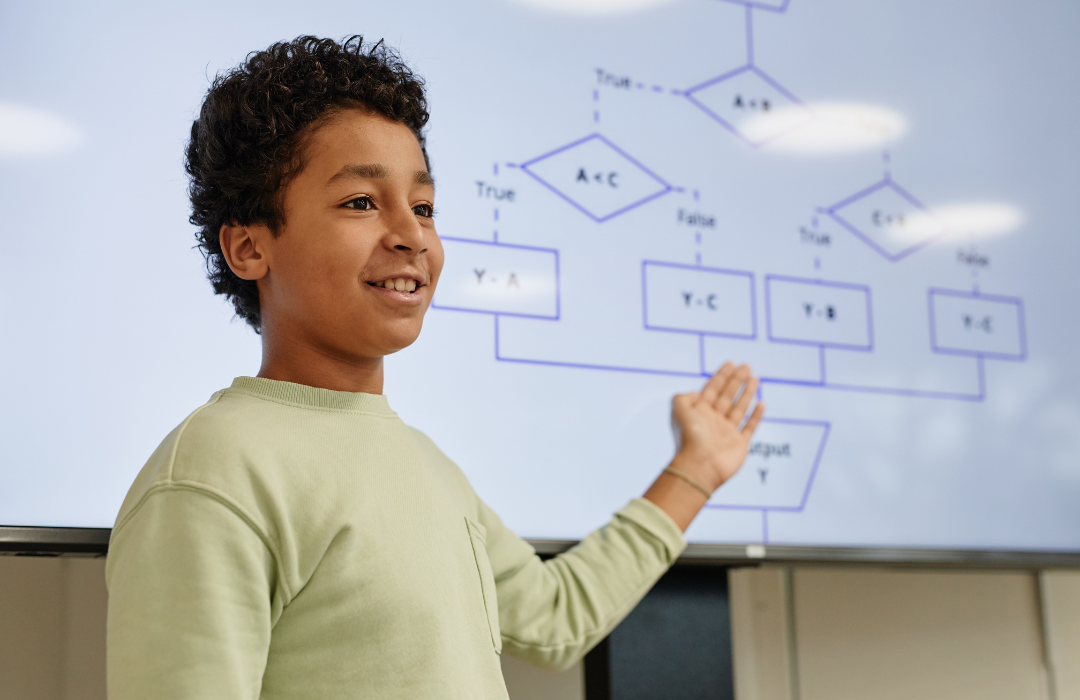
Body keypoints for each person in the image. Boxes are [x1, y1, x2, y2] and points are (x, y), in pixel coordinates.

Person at [105, 35, 765, 699]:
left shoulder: (427, 465)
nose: (412, 235)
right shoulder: (211, 473)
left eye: (423, 207)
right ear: (249, 246)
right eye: (361, 202)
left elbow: (556, 617)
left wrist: (697, 470)